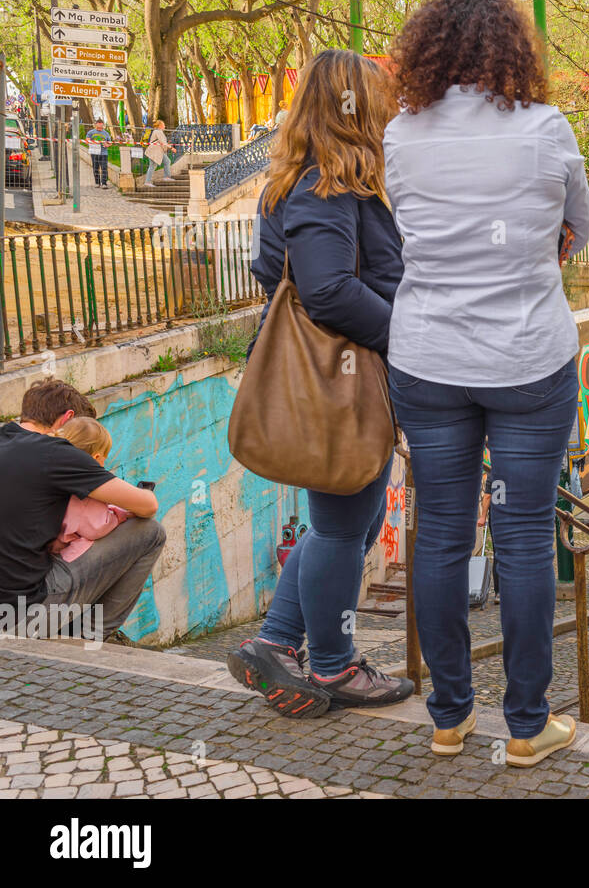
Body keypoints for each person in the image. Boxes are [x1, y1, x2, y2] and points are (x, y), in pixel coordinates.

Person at [385, 0, 589, 766]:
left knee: (439, 534)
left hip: (430, 359)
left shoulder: (400, 135)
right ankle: (528, 724)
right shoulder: (546, 130)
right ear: (512, 49)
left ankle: (448, 716)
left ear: (426, 52)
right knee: (524, 537)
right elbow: (579, 224)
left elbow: (412, 227)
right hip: (526, 360)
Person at [225, 49, 413, 719]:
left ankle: (276, 640)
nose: (391, 111)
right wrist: (406, 334)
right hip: (341, 379)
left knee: (350, 524)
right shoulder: (326, 186)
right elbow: (328, 289)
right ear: (353, 107)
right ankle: (334, 665)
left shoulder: (299, 182)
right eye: (381, 99)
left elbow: (272, 271)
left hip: (335, 377)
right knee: (342, 526)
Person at [0, 380, 164, 642]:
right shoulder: (57, 452)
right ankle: (87, 637)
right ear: (68, 419)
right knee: (150, 531)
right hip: (21, 616)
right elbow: (147, 506)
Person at [49, 417, 129, 561]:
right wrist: (119, 516)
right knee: (150, 530)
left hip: (43, 548)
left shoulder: (54, 471)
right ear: (96, 457)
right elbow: (96, 529)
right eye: (105, 457)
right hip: (61, 555)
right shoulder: (83, 491)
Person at [141, 119, 174, 187]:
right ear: (160, 125)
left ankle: (165, 177)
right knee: (154, 165)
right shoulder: (158, 132)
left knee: (164, 162)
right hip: (155, 152)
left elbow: (161, 142)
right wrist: (171, 148)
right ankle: (148, 182)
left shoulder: (157, 132)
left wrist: (167, 146)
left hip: (156, 151)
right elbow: (163, 142)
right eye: (164, 125)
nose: (165, 126)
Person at [85, 118, 111, 188]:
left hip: (103, 153)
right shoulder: (91, 132)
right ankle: (97, 182)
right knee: (95, 168)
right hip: (94, 152)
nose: (100, 126)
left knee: (104, 168)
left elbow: (110, 142)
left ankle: (104, 183)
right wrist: (90, 142)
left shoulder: (106, 133)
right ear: (96, 124)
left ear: (103, 125)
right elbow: (87, 140)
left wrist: (107, 145)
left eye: (101, 125)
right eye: (98, 124)